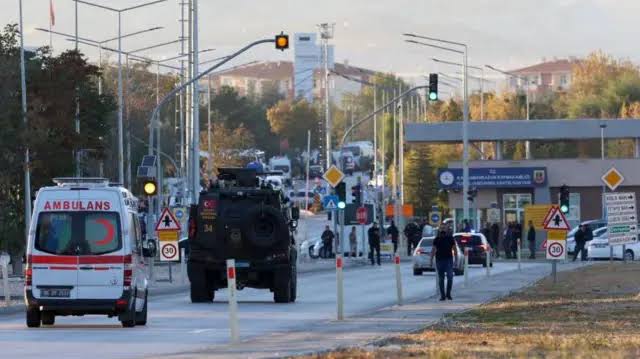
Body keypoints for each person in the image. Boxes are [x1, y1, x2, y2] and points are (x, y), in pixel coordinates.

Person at [430, 227, 458, 301]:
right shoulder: (437, 239)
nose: (443, 232)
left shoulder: (450, 238)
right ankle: (443, 295)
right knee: (441, 278)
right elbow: (433, 249)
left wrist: (456, 259)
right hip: (439, 260)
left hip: (448, 260)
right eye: (441, 230)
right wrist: (431, 259)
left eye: (444, 230)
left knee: (449, 276)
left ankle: (448, 294)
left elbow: (454, 249)